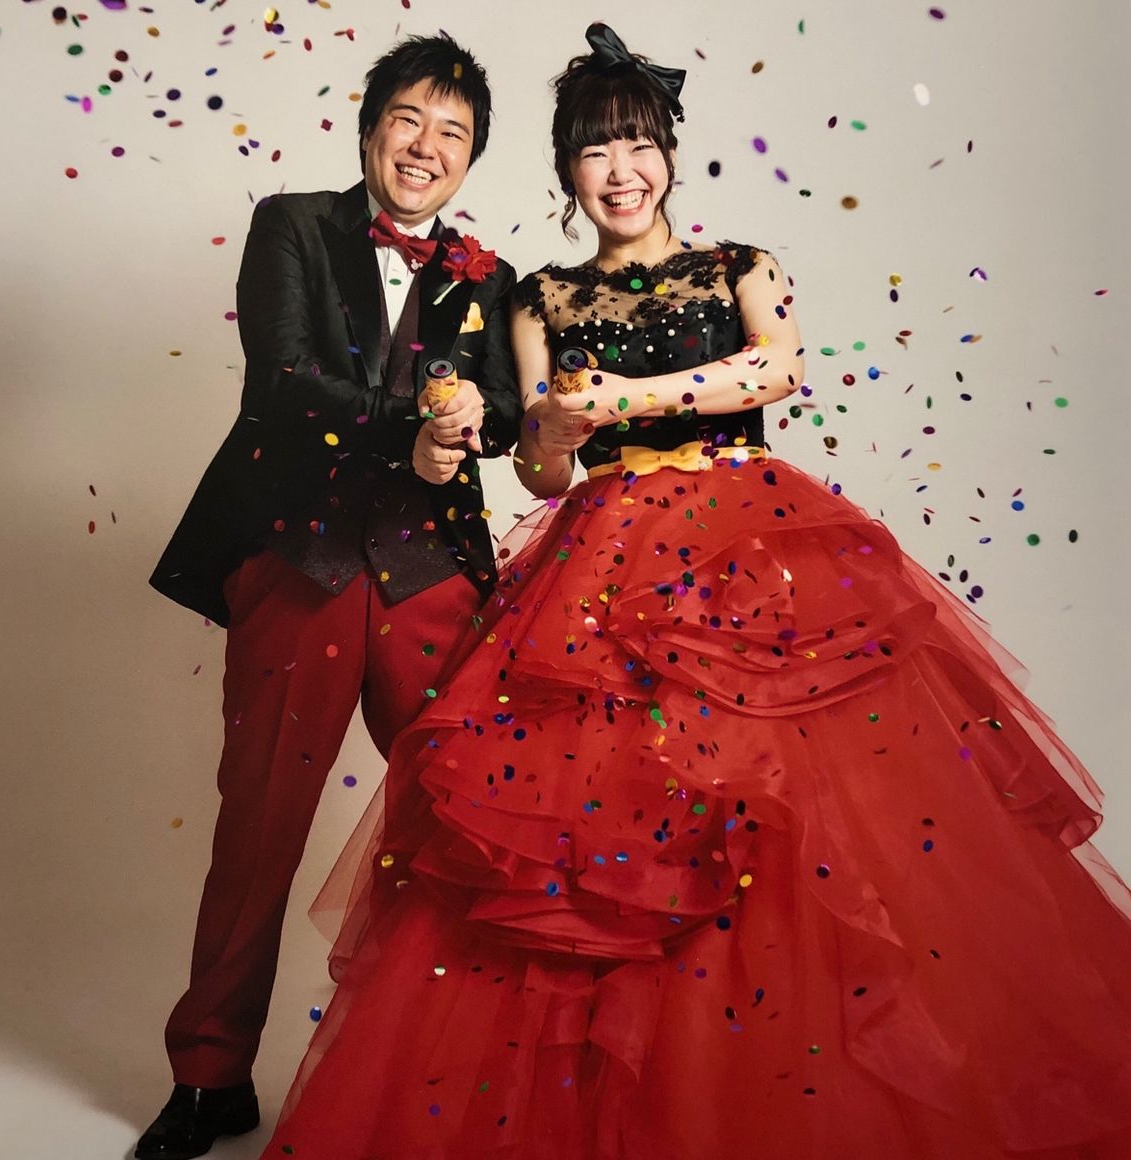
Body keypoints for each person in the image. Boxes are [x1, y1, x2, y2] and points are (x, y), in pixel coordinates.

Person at [254, 24, 1131, 1160]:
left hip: (747, 547)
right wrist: (554, 429)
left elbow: (774, 367)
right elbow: (541, 469)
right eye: (593, 153)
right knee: (603, 828)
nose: (619, 172)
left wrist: (617, 399)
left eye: (637, 147)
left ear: (667, 154)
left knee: (793, 805)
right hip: (601, 557)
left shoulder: (740, 267)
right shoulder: (540, 298)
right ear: (565, 173)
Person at [136, 33, 521, 1160]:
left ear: (470, 159)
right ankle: (209, 1076)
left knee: (463, 821)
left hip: (431, 573)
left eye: (452, 132)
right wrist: (414, 424)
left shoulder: (486, 276)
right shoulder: (292, 225)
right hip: (300, 562)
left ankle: (457, 1077)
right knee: (259, 827)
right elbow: (282, 380)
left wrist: (476, 421)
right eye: (408, 119)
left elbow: (504, 407)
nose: (426, 146)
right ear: (368, 129)